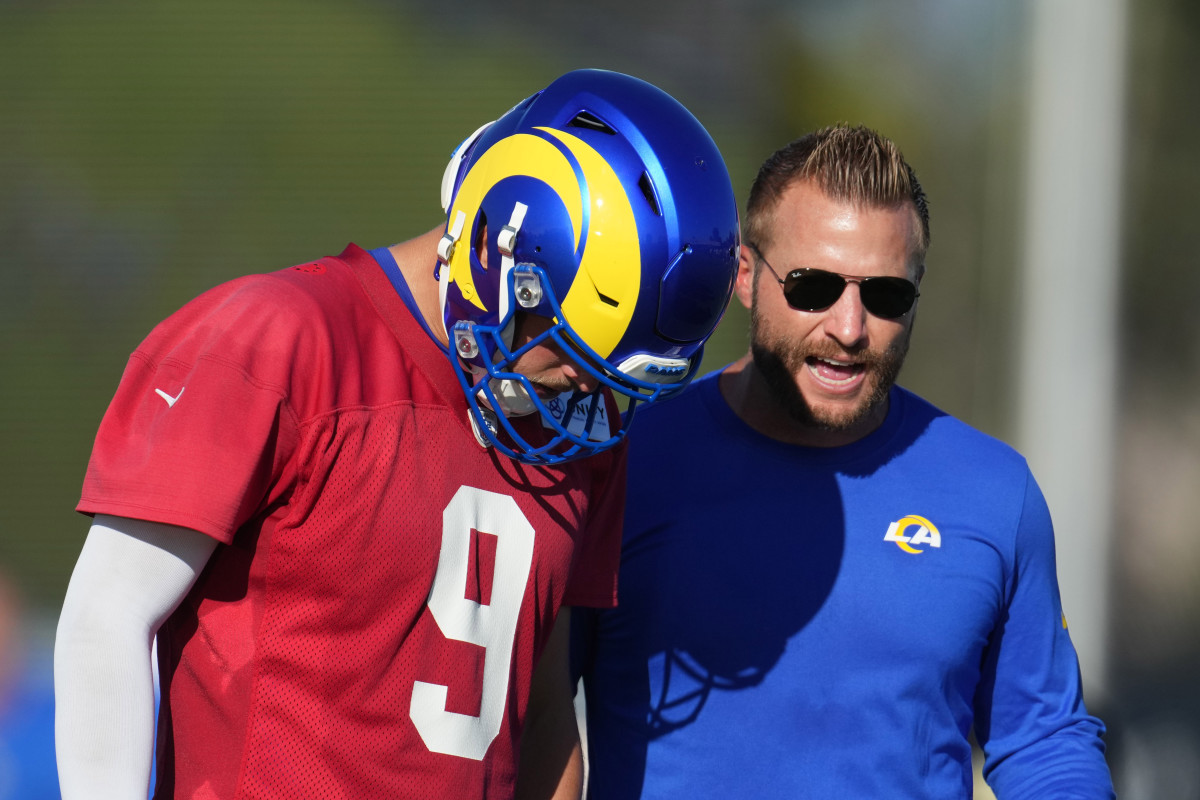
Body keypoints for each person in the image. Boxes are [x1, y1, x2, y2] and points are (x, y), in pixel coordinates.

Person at [53, 68, 740, 800]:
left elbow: (541, 714)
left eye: (609, 371)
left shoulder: (581, 427)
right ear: (500, 242)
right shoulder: (280, 338)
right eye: (571, 347)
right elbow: (109, 616)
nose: (582, 388)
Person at [573, 125, 1116, 798]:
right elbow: (530, 719)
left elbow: (1043, 741)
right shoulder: (621, 465)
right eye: (814, 287)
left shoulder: (996, 496)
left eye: (886, 295)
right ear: (745, 276)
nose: (850, 328)